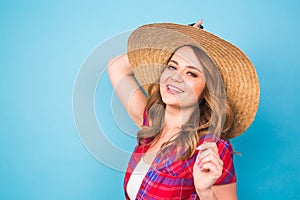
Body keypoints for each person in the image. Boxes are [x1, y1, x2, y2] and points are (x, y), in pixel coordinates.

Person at [107, 19, 260, 200]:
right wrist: (170, 40)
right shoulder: (151, 123)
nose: (175, 78)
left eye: (191, 73)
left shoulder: (212, 147)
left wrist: (206, 193)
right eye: (172, 67)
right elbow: (115, 66)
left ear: (206, 90)